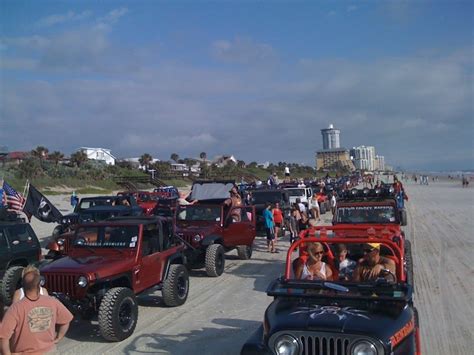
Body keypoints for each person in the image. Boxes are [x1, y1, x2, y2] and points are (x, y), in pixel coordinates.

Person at [0, 268, 73, 355]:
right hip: (49, 351)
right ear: (39, 284)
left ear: (23, 285)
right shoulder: (52, 301)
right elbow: (66, 320)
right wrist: (59, 337)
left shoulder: (16, 308)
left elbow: (3, 337)